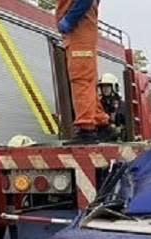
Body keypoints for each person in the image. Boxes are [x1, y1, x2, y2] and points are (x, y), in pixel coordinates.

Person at [57, 0, 115, 142]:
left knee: (81, 80)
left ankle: (86, 128)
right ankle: (101, 123)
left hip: (79, 31)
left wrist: (69, 20)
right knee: (87, 83)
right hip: (80, 31)